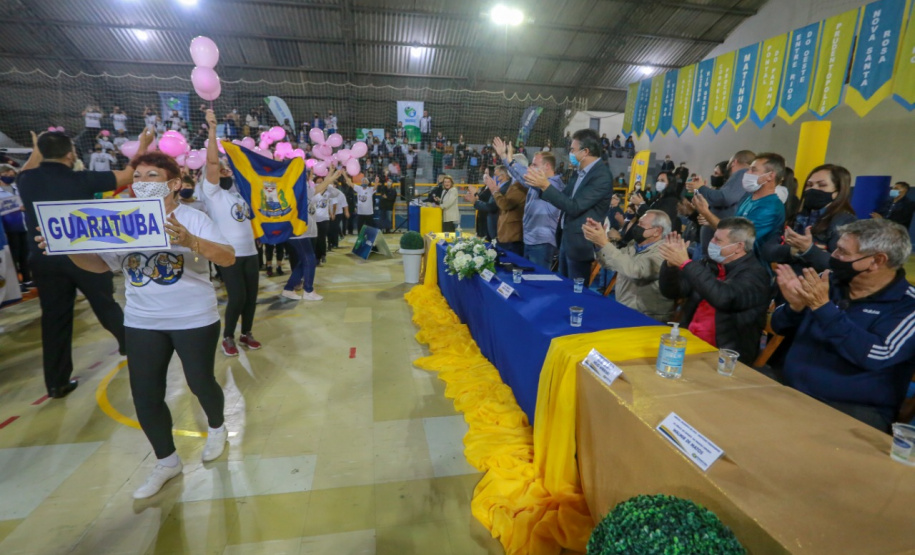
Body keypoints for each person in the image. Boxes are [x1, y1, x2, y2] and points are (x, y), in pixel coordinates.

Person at [37, 150, 236, 498]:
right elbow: (101, 266)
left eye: (152, 177)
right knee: (145, 395)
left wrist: (190, 241)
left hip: (193, 319)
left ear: (174, 184)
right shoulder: (122, 220)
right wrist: (66, 247)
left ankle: (217, 427)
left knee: (200, 382)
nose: (141, 182)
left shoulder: (194, 217)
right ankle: (167, 461)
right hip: (143, 321)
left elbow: (228, 256)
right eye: (138, 176)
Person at [18, 129, 153, 398]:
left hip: (43, 259)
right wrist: (143, 145)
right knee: (105, 305)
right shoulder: (81, 178)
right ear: (70, 154)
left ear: (41, 153)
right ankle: (132, 347)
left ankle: (56, 384)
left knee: (54, 320)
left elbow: (30, 166)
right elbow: (127, 175)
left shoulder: (25, 180)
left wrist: (36, 147)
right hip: (83, 256)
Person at [772, 219, 915, 432]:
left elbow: (876, 355)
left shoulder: (907, 306)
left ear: (876, 261)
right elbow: (778, 326)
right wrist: (794, 307)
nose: (833, 256)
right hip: (789, 388)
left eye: (842, 252)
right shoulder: (828, 282)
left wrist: (823, 308)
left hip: (853, 409)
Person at [658, 217, 771, 364]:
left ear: (738, 247)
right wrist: (671, 266)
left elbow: (723, 298)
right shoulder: (709, 265)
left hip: (723, 356)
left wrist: (686, 264)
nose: (711, 243)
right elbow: (672, 292)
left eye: (718, 241)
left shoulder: (756, 275)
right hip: (688, 341)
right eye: (713, 237)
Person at [200, 111, 262, 356]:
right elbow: (213, 164)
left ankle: (246, 333)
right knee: (237, 297)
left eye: (227, 171)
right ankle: (228, 337)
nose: (225, 172)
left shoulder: (238, 194)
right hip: (229, 254)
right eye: (222, 171)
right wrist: (213, 130)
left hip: (251, 252)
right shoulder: (212, 193)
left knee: (251, 298)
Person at [524, 128, 612, 280]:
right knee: (564, 289)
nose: (570, 153)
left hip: (580, 244)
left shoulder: (601, 176)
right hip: (566, 239)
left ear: (585, 151)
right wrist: (540, 187)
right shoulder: (579, 172)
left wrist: (545, 186)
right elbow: (563, 197)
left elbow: (574, 206)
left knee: (575, 295)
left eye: (573, 149)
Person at [762, 164, 857, 273]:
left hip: (814, 286)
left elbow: (840, 264)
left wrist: (808, 250)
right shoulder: (798, 218)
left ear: (837, 192)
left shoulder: (845, 221)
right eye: (809, 184)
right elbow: (767, 250)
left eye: (822, 185)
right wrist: (793, 250)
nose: (813, 189)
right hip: (784, 283)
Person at [583, 210, 674, 321]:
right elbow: (610, 263)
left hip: (647, 317)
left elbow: (635, 271)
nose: (637, 227)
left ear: (657, 231)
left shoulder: (665, 252)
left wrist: (604, 243)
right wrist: (597, 241)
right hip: (624, 308)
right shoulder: (634, 245)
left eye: (641, 224)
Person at [693, 152, 786, 255]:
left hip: (750, 266)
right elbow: (733, 226)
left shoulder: (771, 207)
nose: (747, 173)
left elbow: (738, 238)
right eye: (749, 169)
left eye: (753, 170)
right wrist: (709, 219)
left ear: (770, 176)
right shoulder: (749, 199)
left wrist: (706, 213)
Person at [495, 138, 563, 269]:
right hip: (530, 240)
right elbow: (521, 176)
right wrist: (504, 157)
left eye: (535, 165)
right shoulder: (535, 184)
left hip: (542, 243)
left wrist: (510, 160)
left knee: (538, 282)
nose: (530, 167)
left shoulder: (553, 185)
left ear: (547, 167)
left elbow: (523, 174)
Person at [686, 150, 754, 257]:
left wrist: (701, 188)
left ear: (734, 162)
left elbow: (725, 197)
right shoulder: (745, 179)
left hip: (720, 247)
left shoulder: (742, 172)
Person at [283, 170, 332, 302]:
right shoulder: (300, 188)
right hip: (297, 231)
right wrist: (331, 178)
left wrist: (331, 176)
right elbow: (318, 188)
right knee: (310, 259)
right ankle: (308, 290)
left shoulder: (298, 187)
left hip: (300, 231)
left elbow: (317, 190)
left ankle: (288, 288)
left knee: (303, 261)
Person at [485, 163, 526, 256]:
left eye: (511, 165)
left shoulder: (519, 186)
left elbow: (505, 205)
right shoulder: (513, 185)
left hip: (512, 235)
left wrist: (495, 191)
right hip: (506, 233)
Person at [0, 165, 30, 291]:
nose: (10, 176)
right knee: (14, 255)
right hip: (9, 227)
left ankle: (27, 279)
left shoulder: (16, 188)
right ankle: (17, 283)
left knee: (25, 254)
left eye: (12, 174)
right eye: (7, 173)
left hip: (22, 225)